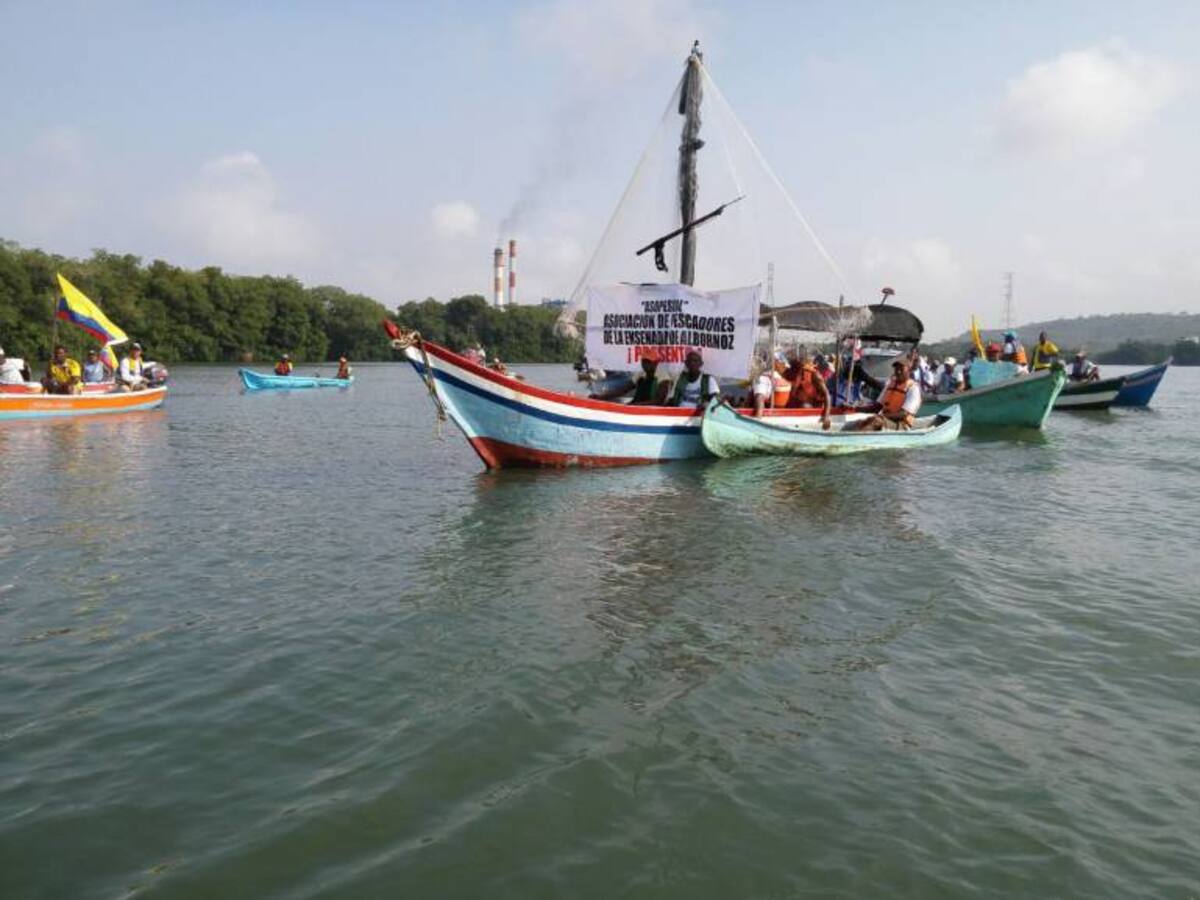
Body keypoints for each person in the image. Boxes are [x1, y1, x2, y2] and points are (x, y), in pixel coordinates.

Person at [852, 359, 921, 431]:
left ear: (909, 371)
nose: (898, 372)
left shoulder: (913, 388)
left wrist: (881, 416)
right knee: (860, 422)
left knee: (876, 421)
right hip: (885, 419)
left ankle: (858, 438)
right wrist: (857, 409)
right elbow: (877, 407)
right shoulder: (890, 385)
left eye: (901, 369)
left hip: (901, 424)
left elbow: (903, 414)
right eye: (896, 369)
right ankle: (853, 437)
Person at [784, 347, 832, 428]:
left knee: (804, 406)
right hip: (795, 407)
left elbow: (827, 395)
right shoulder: (792, 373)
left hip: (811, 407)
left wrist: (826, 416)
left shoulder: (814, 375)